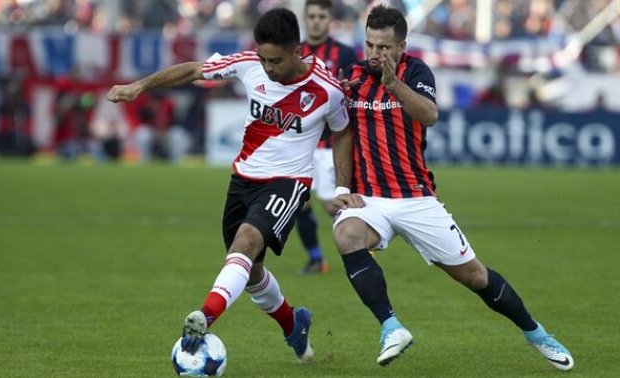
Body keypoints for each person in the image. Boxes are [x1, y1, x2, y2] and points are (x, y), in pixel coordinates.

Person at [332, 4, 574, 371]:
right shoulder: (351, 76)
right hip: (370, 199)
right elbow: (342, 133)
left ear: (401, 47)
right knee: (346, 235)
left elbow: (429, 114)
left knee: (475, 276)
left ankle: (536, 333)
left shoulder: (415, 72)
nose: (375, 54)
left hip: (415, 198)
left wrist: (393, 83)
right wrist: (340, 187)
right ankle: (391, 327)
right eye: (370, 45)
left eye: (384, 48)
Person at [107, 8, 351, 363]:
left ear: (297, 50)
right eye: (264, 58)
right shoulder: (249, 63)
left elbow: (343, 131)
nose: (268, 68)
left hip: (288, 183)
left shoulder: (327, 89)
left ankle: (203, 318)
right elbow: (193, 70)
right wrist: (138, 86)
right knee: (249, 272)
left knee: (246, 241)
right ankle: (293, 326)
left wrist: (342, 187)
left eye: (276, 60)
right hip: (243, 180)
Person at [296, 0, 359, 274]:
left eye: (321, 16)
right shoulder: (293, 52)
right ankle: (315, 259)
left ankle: (362, 248)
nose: (316, 21)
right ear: (305, 18)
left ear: (329, 18)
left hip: (331, 142)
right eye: (311, 16)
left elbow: (354, 92)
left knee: (333, 205)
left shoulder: (344, 53)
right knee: (298, 201)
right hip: (301, 141)